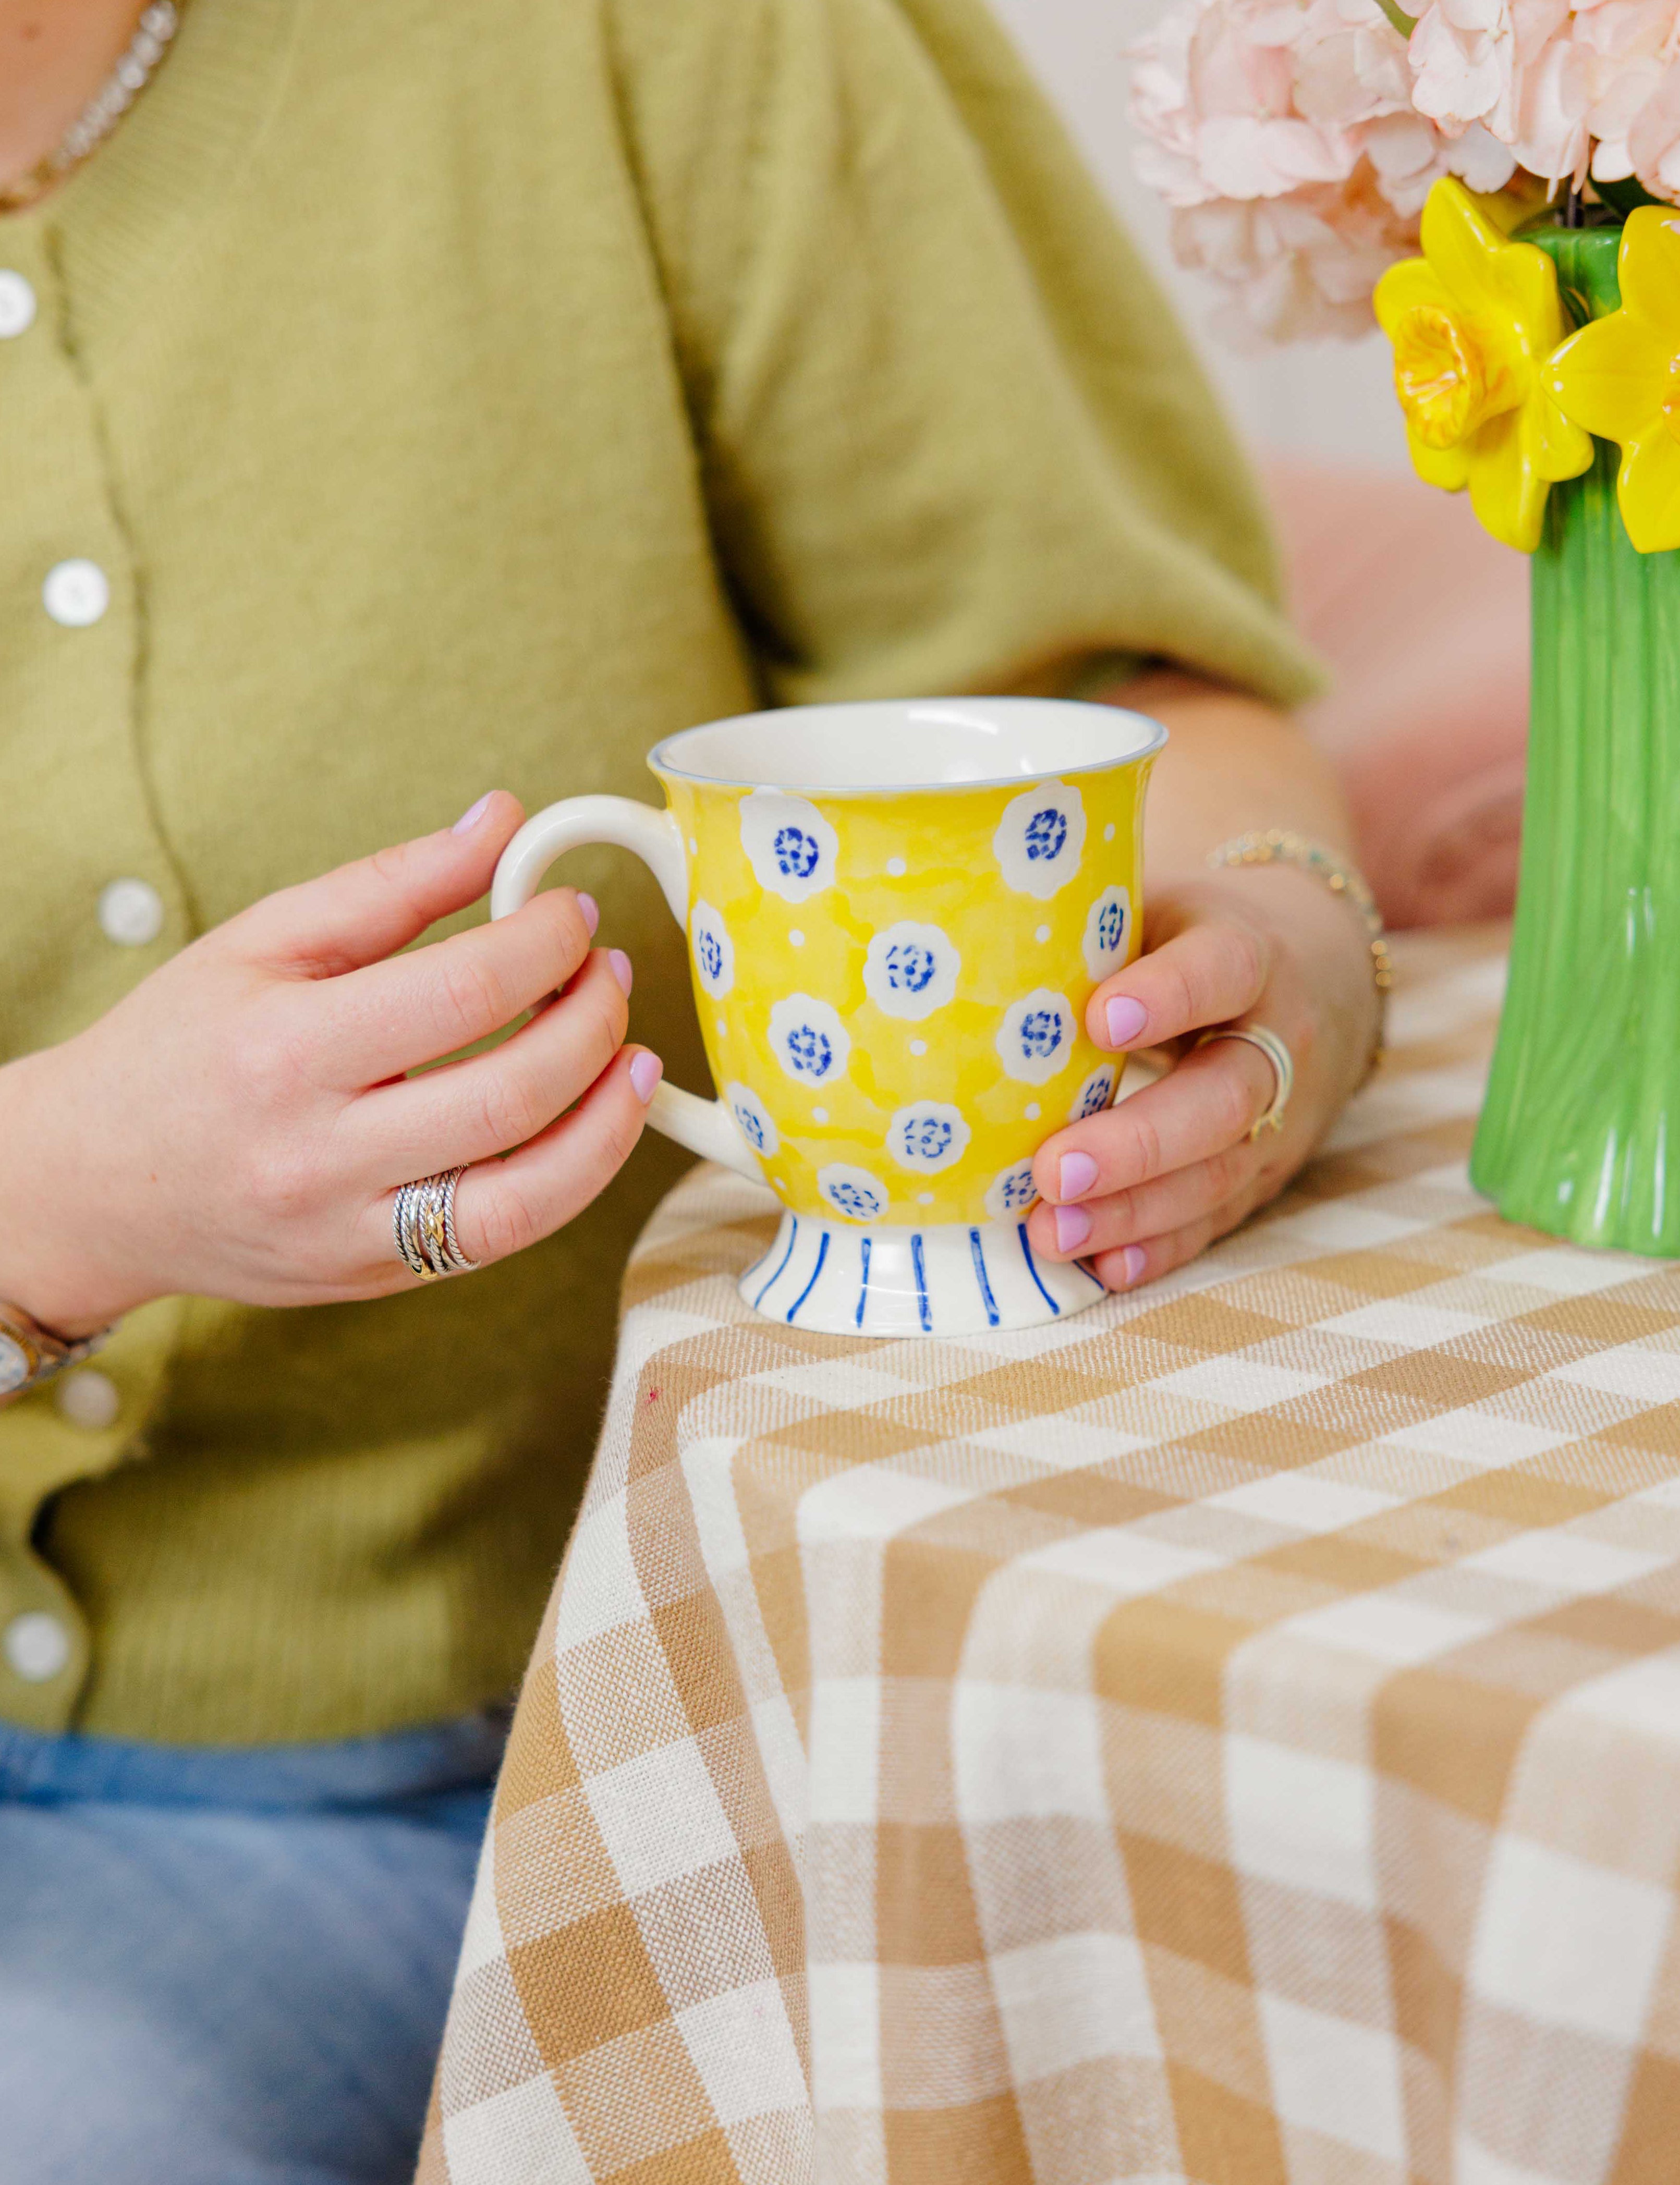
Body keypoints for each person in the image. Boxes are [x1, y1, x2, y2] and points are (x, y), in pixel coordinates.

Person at [0, 0, 1390, 2179]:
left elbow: (1132, 707)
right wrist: (52, 1199)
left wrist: (1294, 941)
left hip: (455, 1761)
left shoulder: (661, 40)